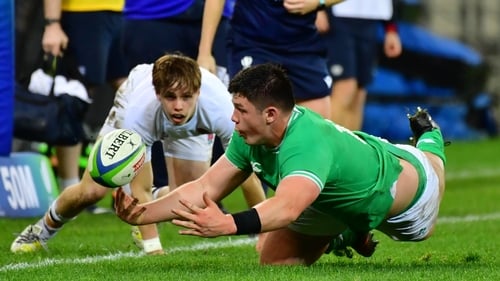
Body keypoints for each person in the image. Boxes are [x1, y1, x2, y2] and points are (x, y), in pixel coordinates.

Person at [113, 63, 447, 266]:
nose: (233, 118)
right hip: (329, 196)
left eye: (241, 110)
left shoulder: (305, 145)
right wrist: (143, 212)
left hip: (403, 195)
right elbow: (204, 188)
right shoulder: (250, 138)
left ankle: (430, 137)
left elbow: (286, 209)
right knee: (273, 261)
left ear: (270, 114)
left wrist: (227, 225)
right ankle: (346, 231)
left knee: (423, 218)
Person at [10, 54, 265, 255]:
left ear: (198, 93)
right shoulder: (138, 112)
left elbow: (247, 174)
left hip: (196, 128)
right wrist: (154, 250)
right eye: (170, 97)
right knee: (93, 191)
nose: (178, 105)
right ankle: (41, 231)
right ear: (157, 94)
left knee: (194, 198)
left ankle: (157, 203)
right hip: (134, 100)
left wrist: (264, 232)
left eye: (186, 97)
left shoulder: (222, 109)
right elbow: (140, 189)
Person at [42, 0, 129, 213]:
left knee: (128, 91)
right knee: (75, 98)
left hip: (115, 12)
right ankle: (71, 193)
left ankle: (130, 189)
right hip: (82, 12)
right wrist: (52, 23)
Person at [226, 0, 345, 119]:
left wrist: (319, 2)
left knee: (318, 130)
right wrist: (206, 52)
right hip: (254, 42)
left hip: (302, 45)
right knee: (253, 121)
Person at [316, 0, 402, 130]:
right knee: (345, 87)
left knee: (359, 93)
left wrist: (391, 28)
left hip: (370, 16)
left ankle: (351, 148)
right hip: (338, 16)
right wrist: (318, 7)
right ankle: (331, 146)